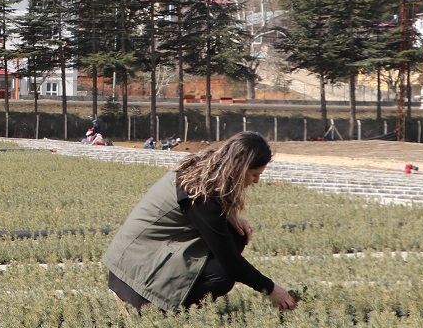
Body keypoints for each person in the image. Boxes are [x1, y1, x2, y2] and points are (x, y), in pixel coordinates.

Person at [102, 130, 296, 311]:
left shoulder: (205, 168)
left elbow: (213, 222)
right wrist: (270, 288)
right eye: (254, 174)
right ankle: (157, 309)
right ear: (238, 169)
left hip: (137, 257)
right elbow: (230, 260)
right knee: (222, 276)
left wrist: (230, 217)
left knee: (234, 235)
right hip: (132, 272)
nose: (256, 181)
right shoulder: (201, 194)